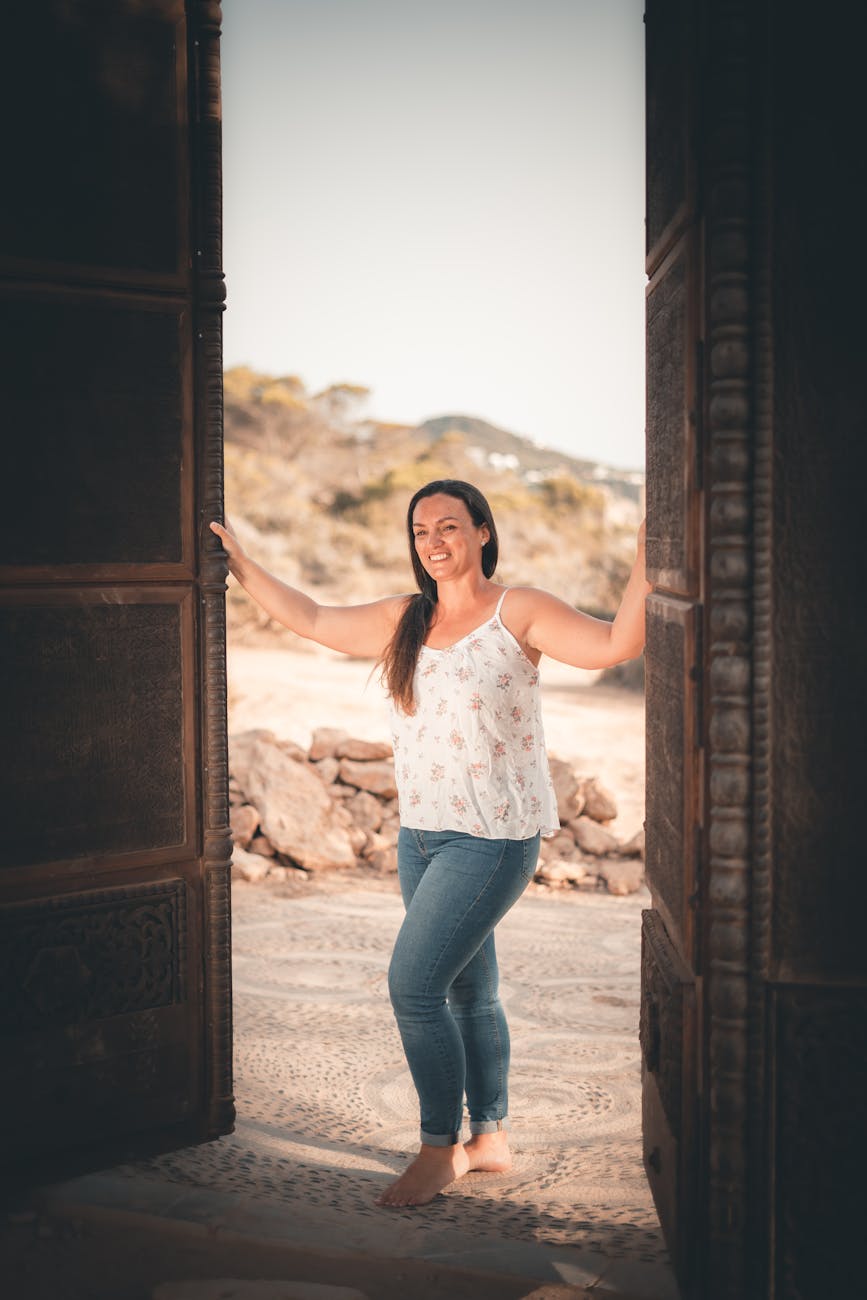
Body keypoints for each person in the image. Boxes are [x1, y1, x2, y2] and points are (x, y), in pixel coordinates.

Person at [210, 478, 650, 1208]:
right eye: (420, 531)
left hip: (492, 839)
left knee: (414, 989)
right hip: (421, 837)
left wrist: (643, 559)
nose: (434, 541)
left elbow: (614, 644)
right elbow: (312, 618)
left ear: (482, 531)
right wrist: (242, 566)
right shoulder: (405, 619)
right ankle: (491, 1138)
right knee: (471, 993)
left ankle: (439, 1148)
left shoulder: (519, 611)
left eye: (449, 526)